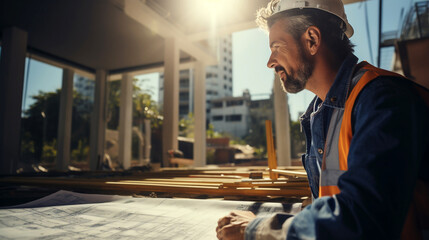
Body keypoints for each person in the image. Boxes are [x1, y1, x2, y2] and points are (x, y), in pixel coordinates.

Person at [216, 0, 429, 239]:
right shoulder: (321, 113)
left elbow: (362, 219)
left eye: (276, 46)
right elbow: (331, 206)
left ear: (312, 40)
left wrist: (257, 228)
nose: (270, 62)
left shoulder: (382, 99)